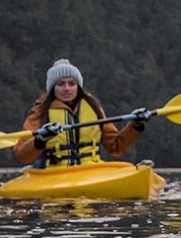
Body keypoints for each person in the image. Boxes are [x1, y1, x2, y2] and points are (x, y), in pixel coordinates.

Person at [11, 59, 152, 168]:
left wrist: (135, 124)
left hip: (91, 170)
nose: (67, 89)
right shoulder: (41, 112)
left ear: (78, 86)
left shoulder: (93, 107)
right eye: (61, 84)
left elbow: (116, 147)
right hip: (53, 173)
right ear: (52, 88)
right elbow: (22, 155)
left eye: (72, 84)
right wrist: (41, 138)